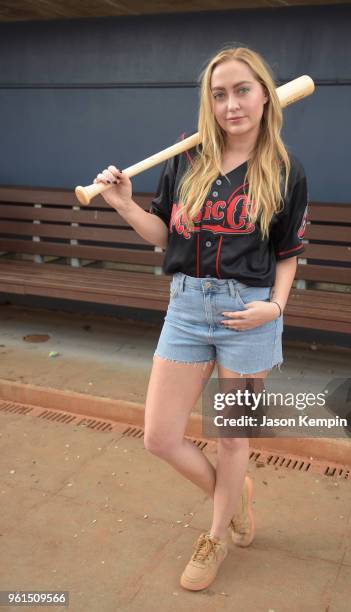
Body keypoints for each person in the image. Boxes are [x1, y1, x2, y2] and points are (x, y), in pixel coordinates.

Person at [93, 45, 309, 592]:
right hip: (187, 308)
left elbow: (288, 253)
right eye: (219, 94)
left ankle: (215, 534)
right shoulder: (185, 160)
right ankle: (234, 495)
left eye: (242, 91)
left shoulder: (285, 170)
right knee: (160, 437)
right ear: (208, 103)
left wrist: (276, 308)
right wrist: (124, 204)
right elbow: (167, 236)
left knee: (234, 439)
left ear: (264, 94)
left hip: (249, 311)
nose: (231, 104)